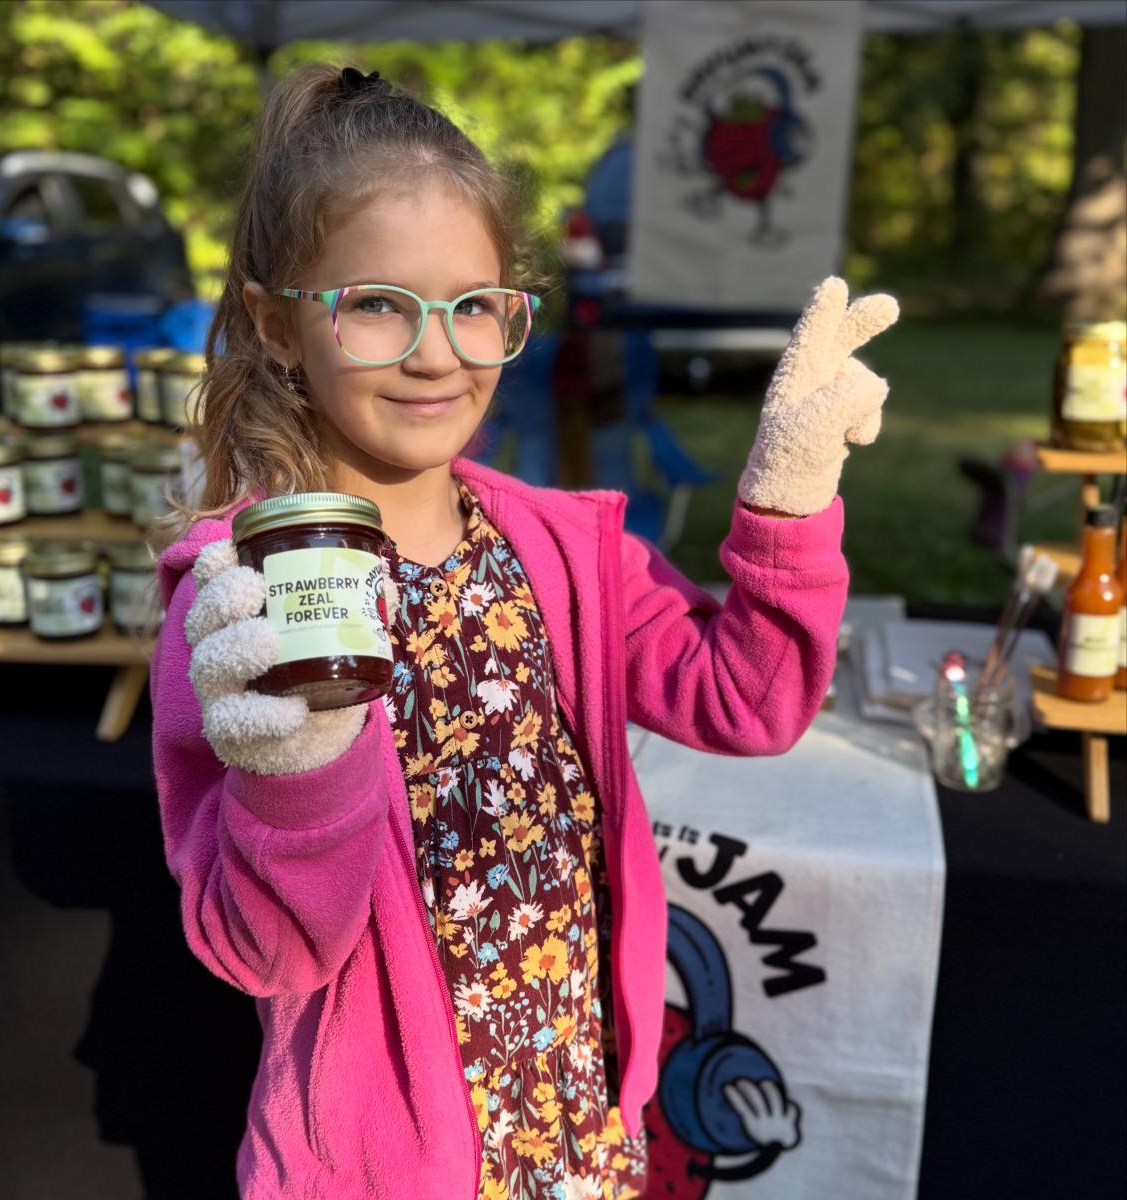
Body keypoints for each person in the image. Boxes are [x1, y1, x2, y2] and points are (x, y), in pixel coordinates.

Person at [149, 62, 898, 1200]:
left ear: (512, 312)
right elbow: (267, 952)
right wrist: (294, 775)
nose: (436, 353)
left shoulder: (563, 547)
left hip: (581, 1133)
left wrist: (786, 501)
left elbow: (747, 700)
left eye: (472, 306)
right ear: (277, 324)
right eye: (376, 304)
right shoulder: (242, 600)